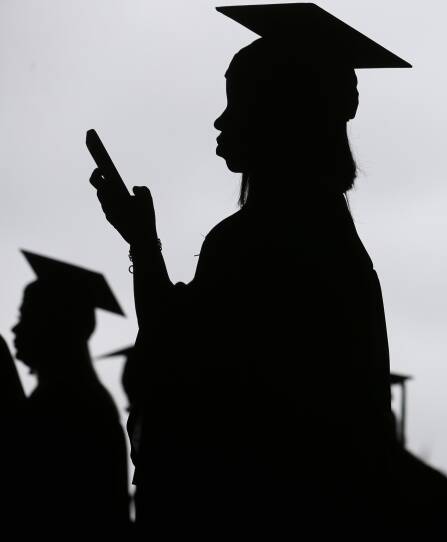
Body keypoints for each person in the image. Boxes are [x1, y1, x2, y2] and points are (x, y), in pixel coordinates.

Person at [88, 3, 410, 536]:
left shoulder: (259, 241)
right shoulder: (326, 236)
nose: (221, 119)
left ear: (281, 115)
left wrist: (144, 246)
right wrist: (142, 242)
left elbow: (176, 363)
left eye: (238, 102)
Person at [1, 251, 130, 538]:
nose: (16, 328)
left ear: (59, 326)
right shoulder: (85, 400)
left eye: (26, 315)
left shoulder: (68, 407)